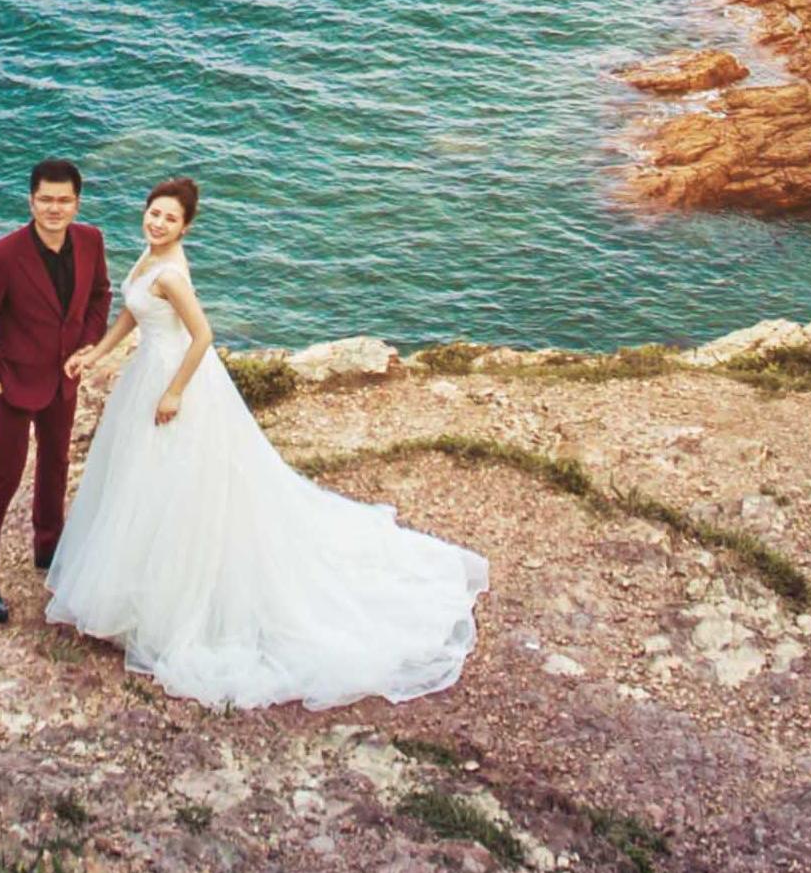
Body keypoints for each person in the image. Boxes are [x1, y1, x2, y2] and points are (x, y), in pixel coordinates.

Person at [41, 176, 488, 708]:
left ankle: (170, 604)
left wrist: (175, 392)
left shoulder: (172, 274)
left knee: (174, 484)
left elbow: (203, 336)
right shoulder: (148, 258)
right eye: (153, 213)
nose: (157, 223)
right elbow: (133, 314)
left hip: (173, 378)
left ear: (185, 228)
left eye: (169, 219)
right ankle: (134, 590)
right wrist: (97, 353)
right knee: (141, 481)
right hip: (147, 373)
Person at [0, 158, 111, 622]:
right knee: (3, 475)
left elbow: (101, 295)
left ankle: (49, 549)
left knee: (56, 463)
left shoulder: (91, 240)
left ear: (77, 203)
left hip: (64, 378)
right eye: (46, 199)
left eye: (64, 200)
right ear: (31, 201)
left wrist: (87, 344)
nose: (54, 208)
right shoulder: (3, 255)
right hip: (15, 382)